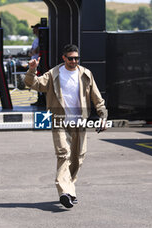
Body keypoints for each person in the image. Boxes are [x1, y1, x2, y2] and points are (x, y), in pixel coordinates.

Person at [25, 44, 108, 208]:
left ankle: (70, 190)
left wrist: (103, 116)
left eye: (76, 58)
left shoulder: (85, 74)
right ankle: (63, 191)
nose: (74, 61)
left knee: (77, 157)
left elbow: (97, 98)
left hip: (80, 122)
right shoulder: (54, 74)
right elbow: (33, 84)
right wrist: (32, 70)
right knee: (64, 154)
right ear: (64, 58)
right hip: (59, 121)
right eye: (70, 58)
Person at [29, 23, 46, 107]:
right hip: (34, 63)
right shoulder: (36, 40)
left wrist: (33, 52)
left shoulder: (41, 39)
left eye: (34, 29)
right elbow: (32, 50)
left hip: (39, 63)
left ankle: (42, 99)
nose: (33, 30)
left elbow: (37, 50)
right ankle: (39, 99)